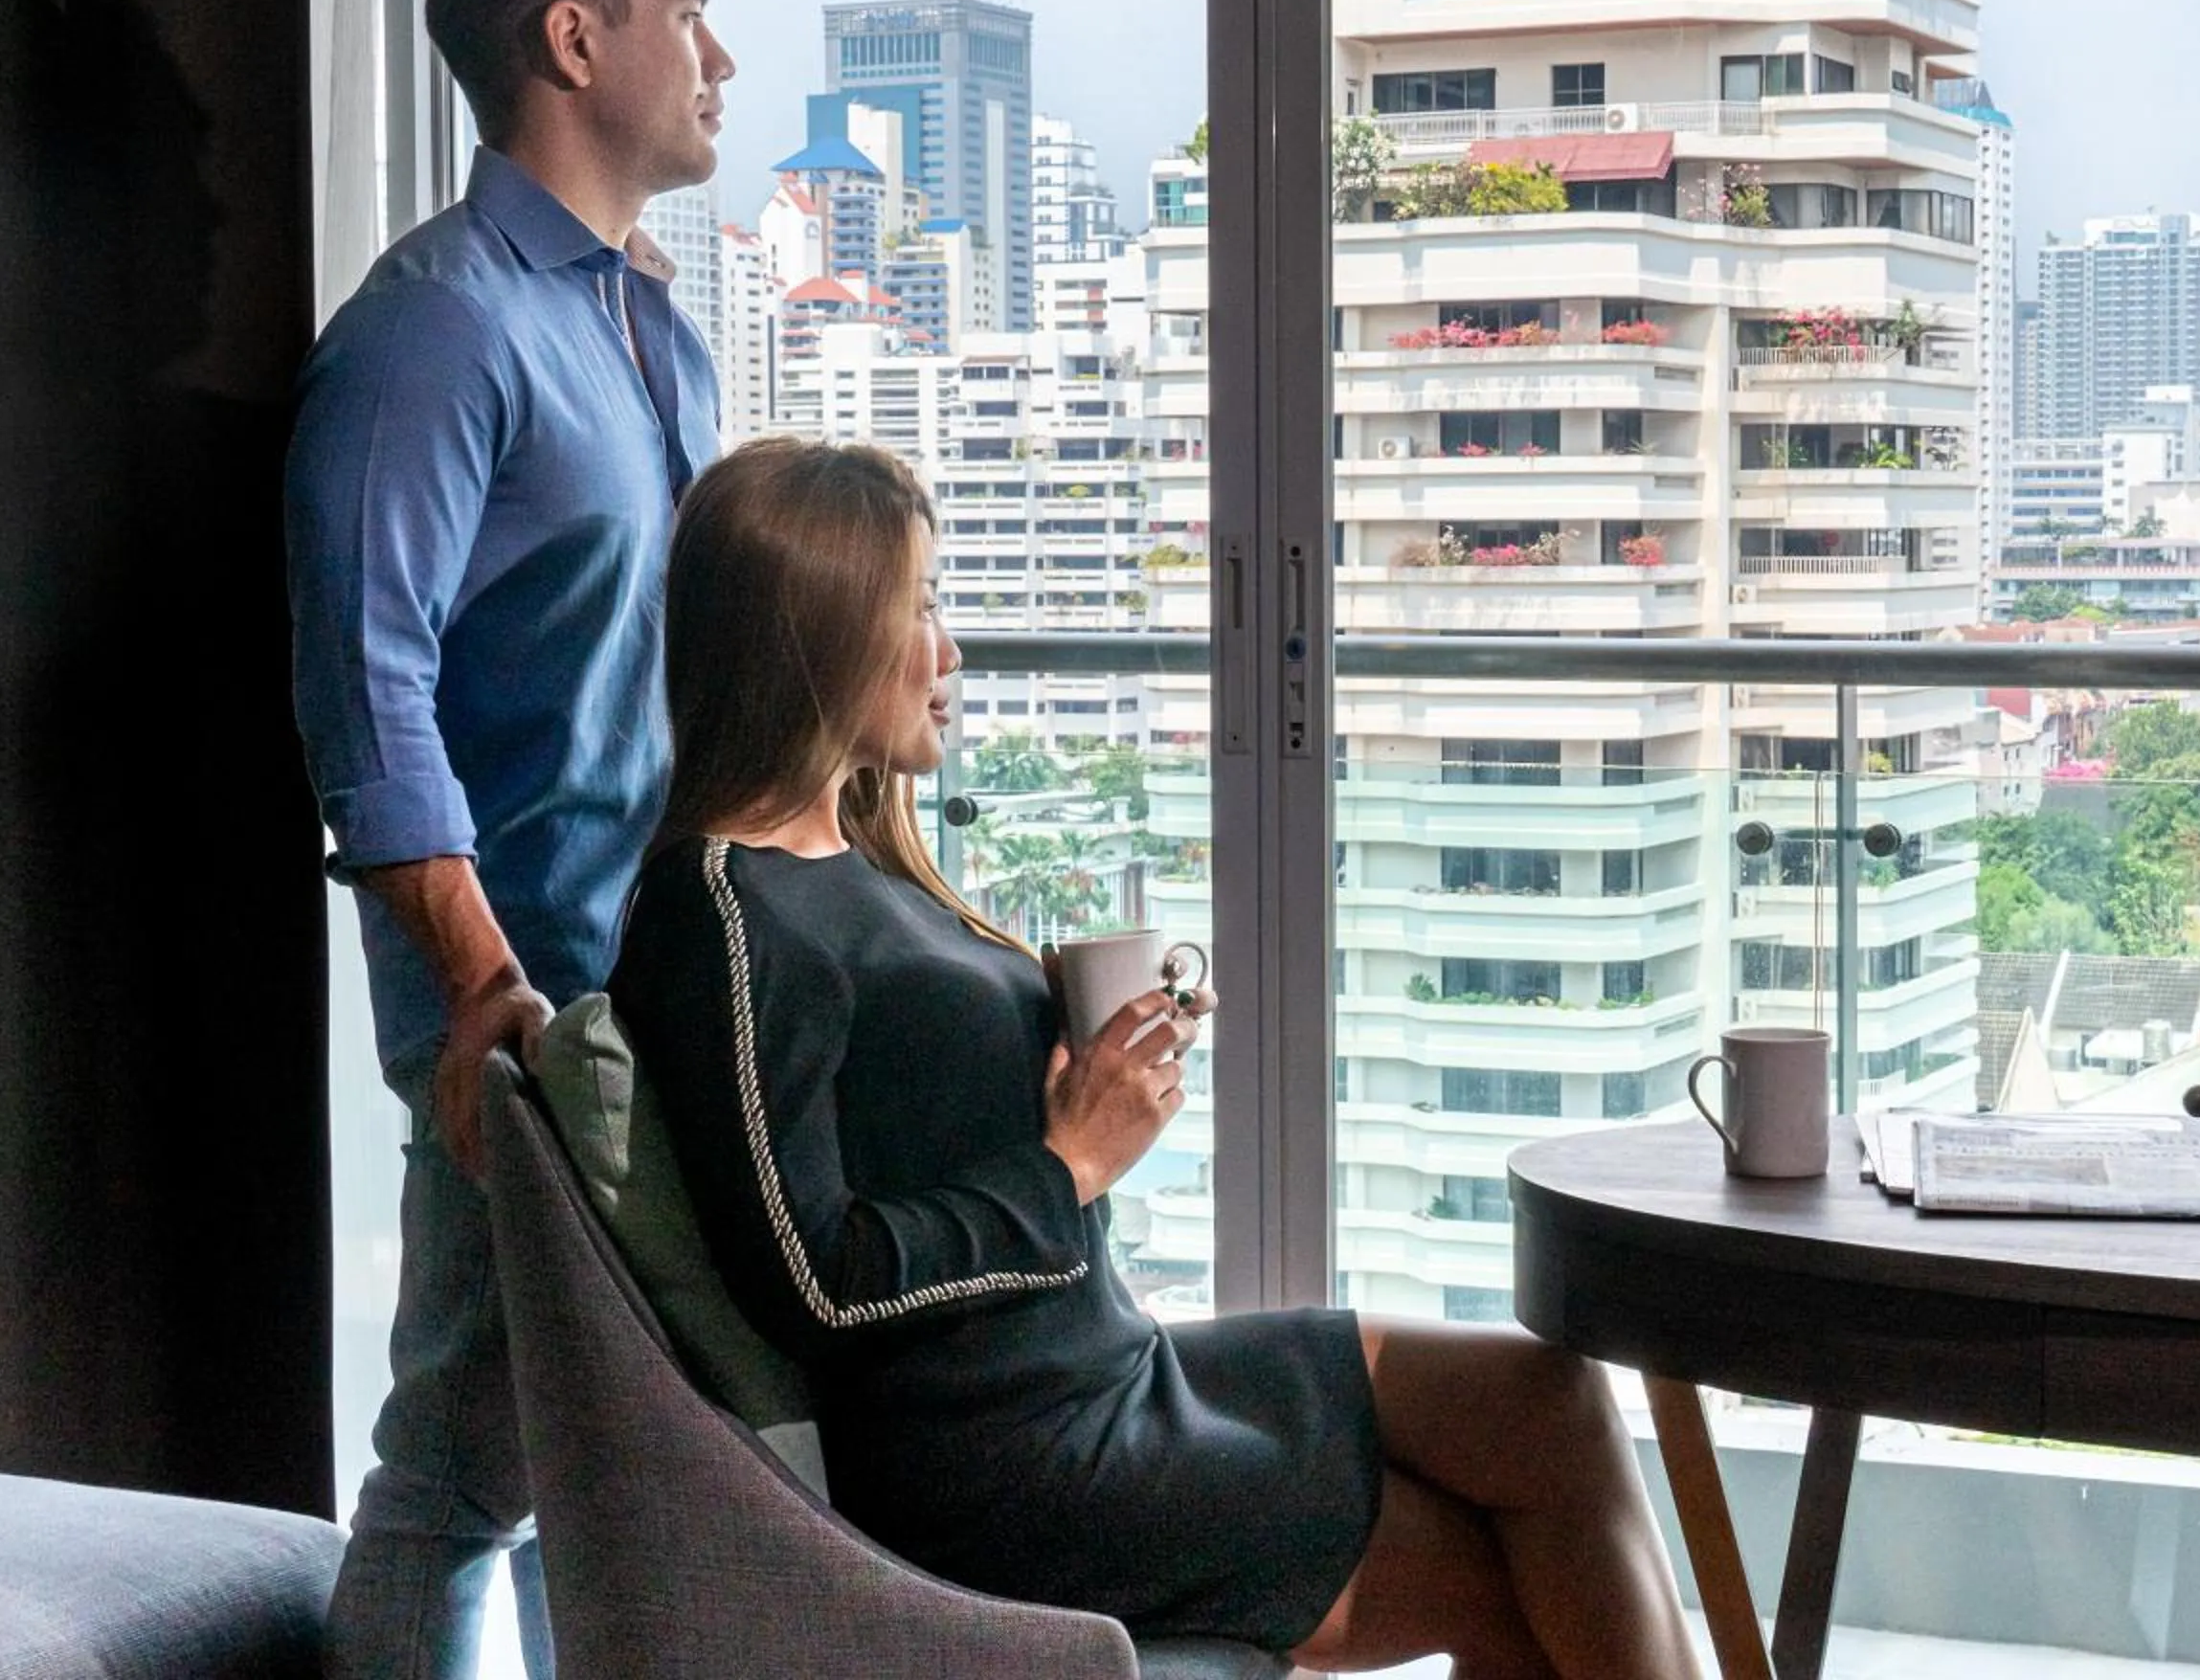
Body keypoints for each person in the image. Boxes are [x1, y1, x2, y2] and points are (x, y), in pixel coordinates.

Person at [607, 441, 1699, 1680]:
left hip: (1107, 1367)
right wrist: (1070, 1162)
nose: (948, 650)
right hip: (1016, 1463)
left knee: (1546, 1401)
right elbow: (815, 1282)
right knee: (1495, 1572)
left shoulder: (848, 863)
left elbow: (921, 1108)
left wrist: (1089, 1052)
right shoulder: (725, 915)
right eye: (917, 608)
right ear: (822, 629)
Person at [284, 0, 730, 1679]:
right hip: (533, 1027)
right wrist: (486, 1000)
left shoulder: (647, 321)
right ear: (574, 36)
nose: (721, 44)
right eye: (684, 5)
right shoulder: (432, 331)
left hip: (665, 993)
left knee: (615, 1471)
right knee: (459, 1475)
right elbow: (367, 701)